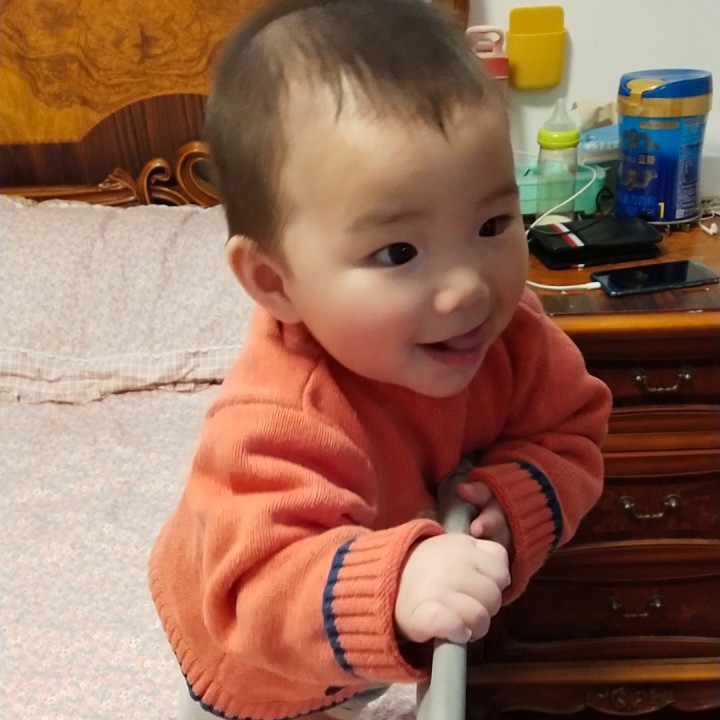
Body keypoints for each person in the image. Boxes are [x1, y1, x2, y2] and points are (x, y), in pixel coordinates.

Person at [148, 1, 612, 718]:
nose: (467, 288)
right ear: (275, 282)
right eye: (398, 252)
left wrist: (514, 500)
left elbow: (572, 428)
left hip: (368, 634)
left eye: (493, 223)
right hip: (251, 669)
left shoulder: (512, 338)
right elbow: (252, 590)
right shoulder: (273, 420)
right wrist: (395, 586)